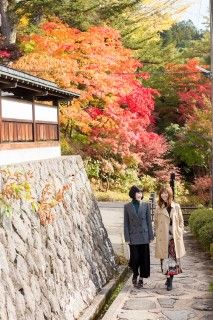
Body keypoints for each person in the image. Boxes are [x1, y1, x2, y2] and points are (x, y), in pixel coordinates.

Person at [154, 186, 185, 291]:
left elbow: (181, 221)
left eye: (166, 193)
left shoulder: (176, 206)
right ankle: (167, 277)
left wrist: (179, 232)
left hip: (173, 237)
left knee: (172, 259)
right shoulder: (158, 207)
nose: (164, 195)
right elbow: (156, 222)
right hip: (163, 237)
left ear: (169, 194)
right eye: (162, 193)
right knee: (164, 259)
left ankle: (170, 281)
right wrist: (157, 232)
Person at [124, 185, 154, 288]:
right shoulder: (127, 206)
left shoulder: (146, 205)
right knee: (135, 258)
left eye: (141, 193)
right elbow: (126, 223)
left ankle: (141, 278)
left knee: (144, 259)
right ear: (133, 194)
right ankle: (135, 274)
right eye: (137, 192)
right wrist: (127, 238)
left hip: (144, 236)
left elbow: (149, 222)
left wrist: (151, 235)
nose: (139, 195)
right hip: (133, 236)